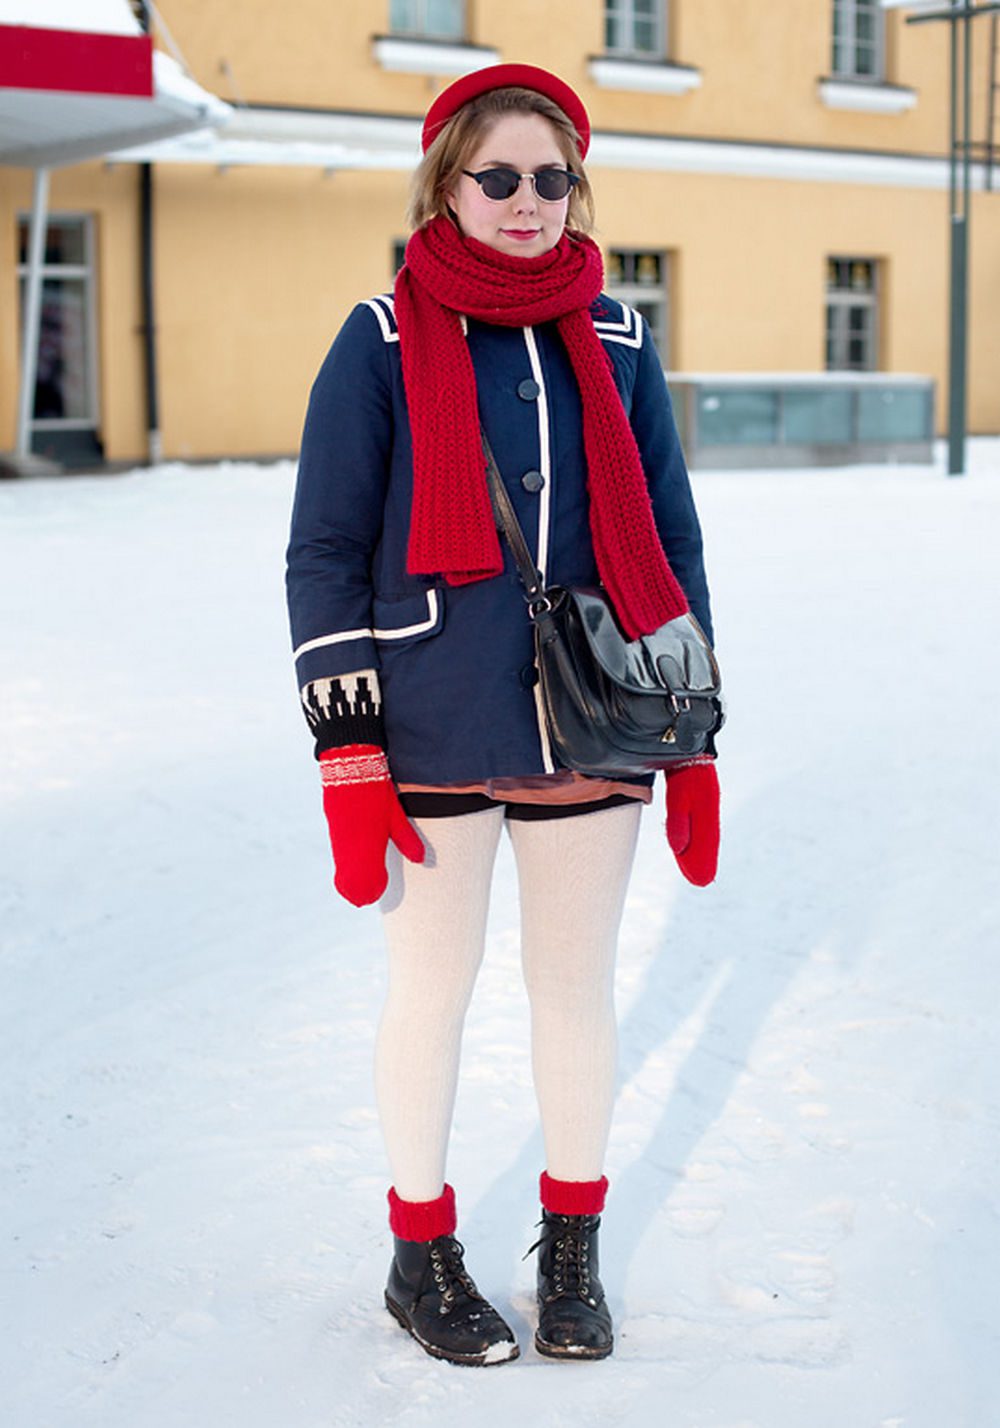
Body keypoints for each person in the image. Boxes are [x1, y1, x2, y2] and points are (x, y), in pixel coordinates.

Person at [285, 63, 720, 1367]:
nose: (530, 201)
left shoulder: (621, 338)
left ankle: (572, 1253)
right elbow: (324, 548)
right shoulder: (379, 337)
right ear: (447, 183)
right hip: (427, 718)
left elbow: (674, 540)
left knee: (572, 991)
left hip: (598, 722)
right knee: (431, 992)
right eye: (501, 177)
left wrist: (691, 734)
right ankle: (420, 1256)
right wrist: (347, 747)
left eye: (554, 177)